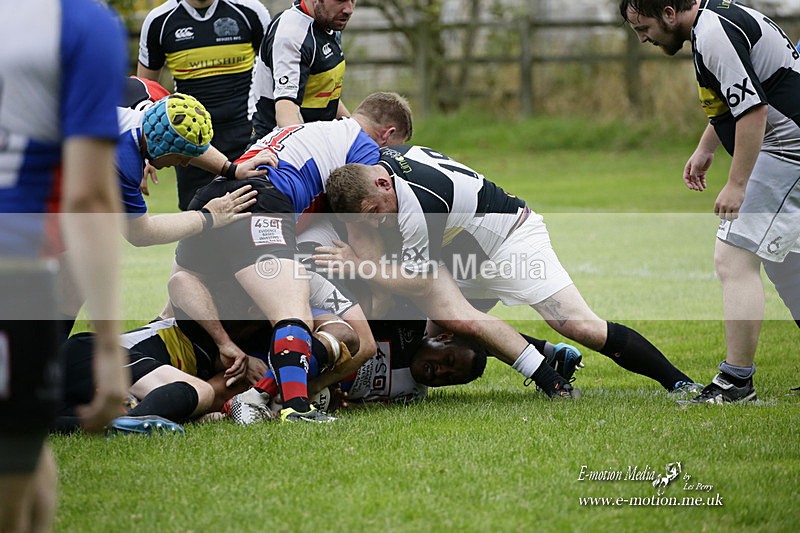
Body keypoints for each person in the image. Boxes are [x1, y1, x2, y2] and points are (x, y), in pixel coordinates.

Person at [320, 146, 701, 397]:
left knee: (578, 325)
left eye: (374, 214)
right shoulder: (379, 162)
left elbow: (417, 279)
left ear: (384, 184)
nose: (375, 224)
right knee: (445, 325)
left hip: (510, 241)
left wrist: (360, 265)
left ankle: (677, 383)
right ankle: (549, 359)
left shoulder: (419, 206)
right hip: (463, 245)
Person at [174, 92, 413, 422]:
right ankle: (296, 407)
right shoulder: (365, 149)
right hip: (263, 199)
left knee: (184, 287)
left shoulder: (315, 130)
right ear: (388, 134)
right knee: (292, 310)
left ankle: (157, 381)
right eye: (394, 146)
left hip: (217, 193)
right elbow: (362, 224)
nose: (388, 156)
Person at [620, 0, 800, 403]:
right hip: (786, 143)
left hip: (789, 147)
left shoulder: (714, 33)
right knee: (787, 263)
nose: (643, 38)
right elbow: (735, 99)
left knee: (733, 257)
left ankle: (736, 382)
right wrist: (707, 148)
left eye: (643, 27)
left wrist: (738, 184)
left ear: (669, 13)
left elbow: (753, 109)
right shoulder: (711, 24)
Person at [0, 1, 129, 530]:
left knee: (30, 464)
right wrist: (106, 345)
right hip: (15, 277)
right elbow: (89, 199)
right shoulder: (81, 24)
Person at [57, 90, 277, 343]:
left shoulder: (148, 111)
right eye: (180, 158)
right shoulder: (122, 160)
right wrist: (209, 216)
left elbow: (182, 136)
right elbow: (141, 233)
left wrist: (231, 168)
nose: (183, 164)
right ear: (163, 148)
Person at [138, 0, 271, 210]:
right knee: (198, 224)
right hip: (189, 144)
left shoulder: (250, 11)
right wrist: (142, 153)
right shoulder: (159, 21)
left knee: (252, 219)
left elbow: (275, 73)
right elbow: (145, 91)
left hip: (247, 137)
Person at [251, 0, 355, 140]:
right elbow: (286, 115)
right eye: (340, 0)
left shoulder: (328, 22)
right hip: (278, 148)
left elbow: (327, 94)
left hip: (320, 139)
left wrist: (356, 132)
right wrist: (313, 155)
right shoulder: (291, 35)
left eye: (353, 0)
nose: (349, 9)